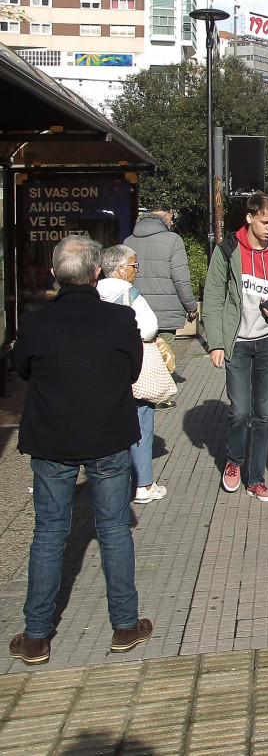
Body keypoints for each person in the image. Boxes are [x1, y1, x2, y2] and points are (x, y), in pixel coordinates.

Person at [9, 235, 152, 665]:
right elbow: (133, 368)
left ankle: (36, 636)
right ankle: (125, 626)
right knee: (113, 530)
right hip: (108, 437)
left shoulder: (34, 323)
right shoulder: (119, 319)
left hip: (51, 439)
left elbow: (22, 370)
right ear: (96, 274)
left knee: (49, 534)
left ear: (54, 274)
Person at [202, 192, 268, 502]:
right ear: (250, 218)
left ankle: (256, 478)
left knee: (264, 413)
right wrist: (216, 343)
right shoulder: (227, 249)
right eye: (266, 221)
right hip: (237, 343)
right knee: (239, 410)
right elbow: (214, 297)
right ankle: (234, 461)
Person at [97, 245, 167, 504]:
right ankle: (143, 484)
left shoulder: (95, 292)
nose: (137, 271)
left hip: (102, 371)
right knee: (141, 424)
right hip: (132, 369)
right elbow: (148, 329)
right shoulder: (129, 294)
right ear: (120, 270)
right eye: (134, 265)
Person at [124, 202, 198, 360]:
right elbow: (181, 279)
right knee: (164, 359)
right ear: (166, 216)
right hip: (166, 313)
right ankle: (163, 384)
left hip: (137, 310)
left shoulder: (128, 241)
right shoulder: (173, 240)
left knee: (141, 358)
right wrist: (191, 306)